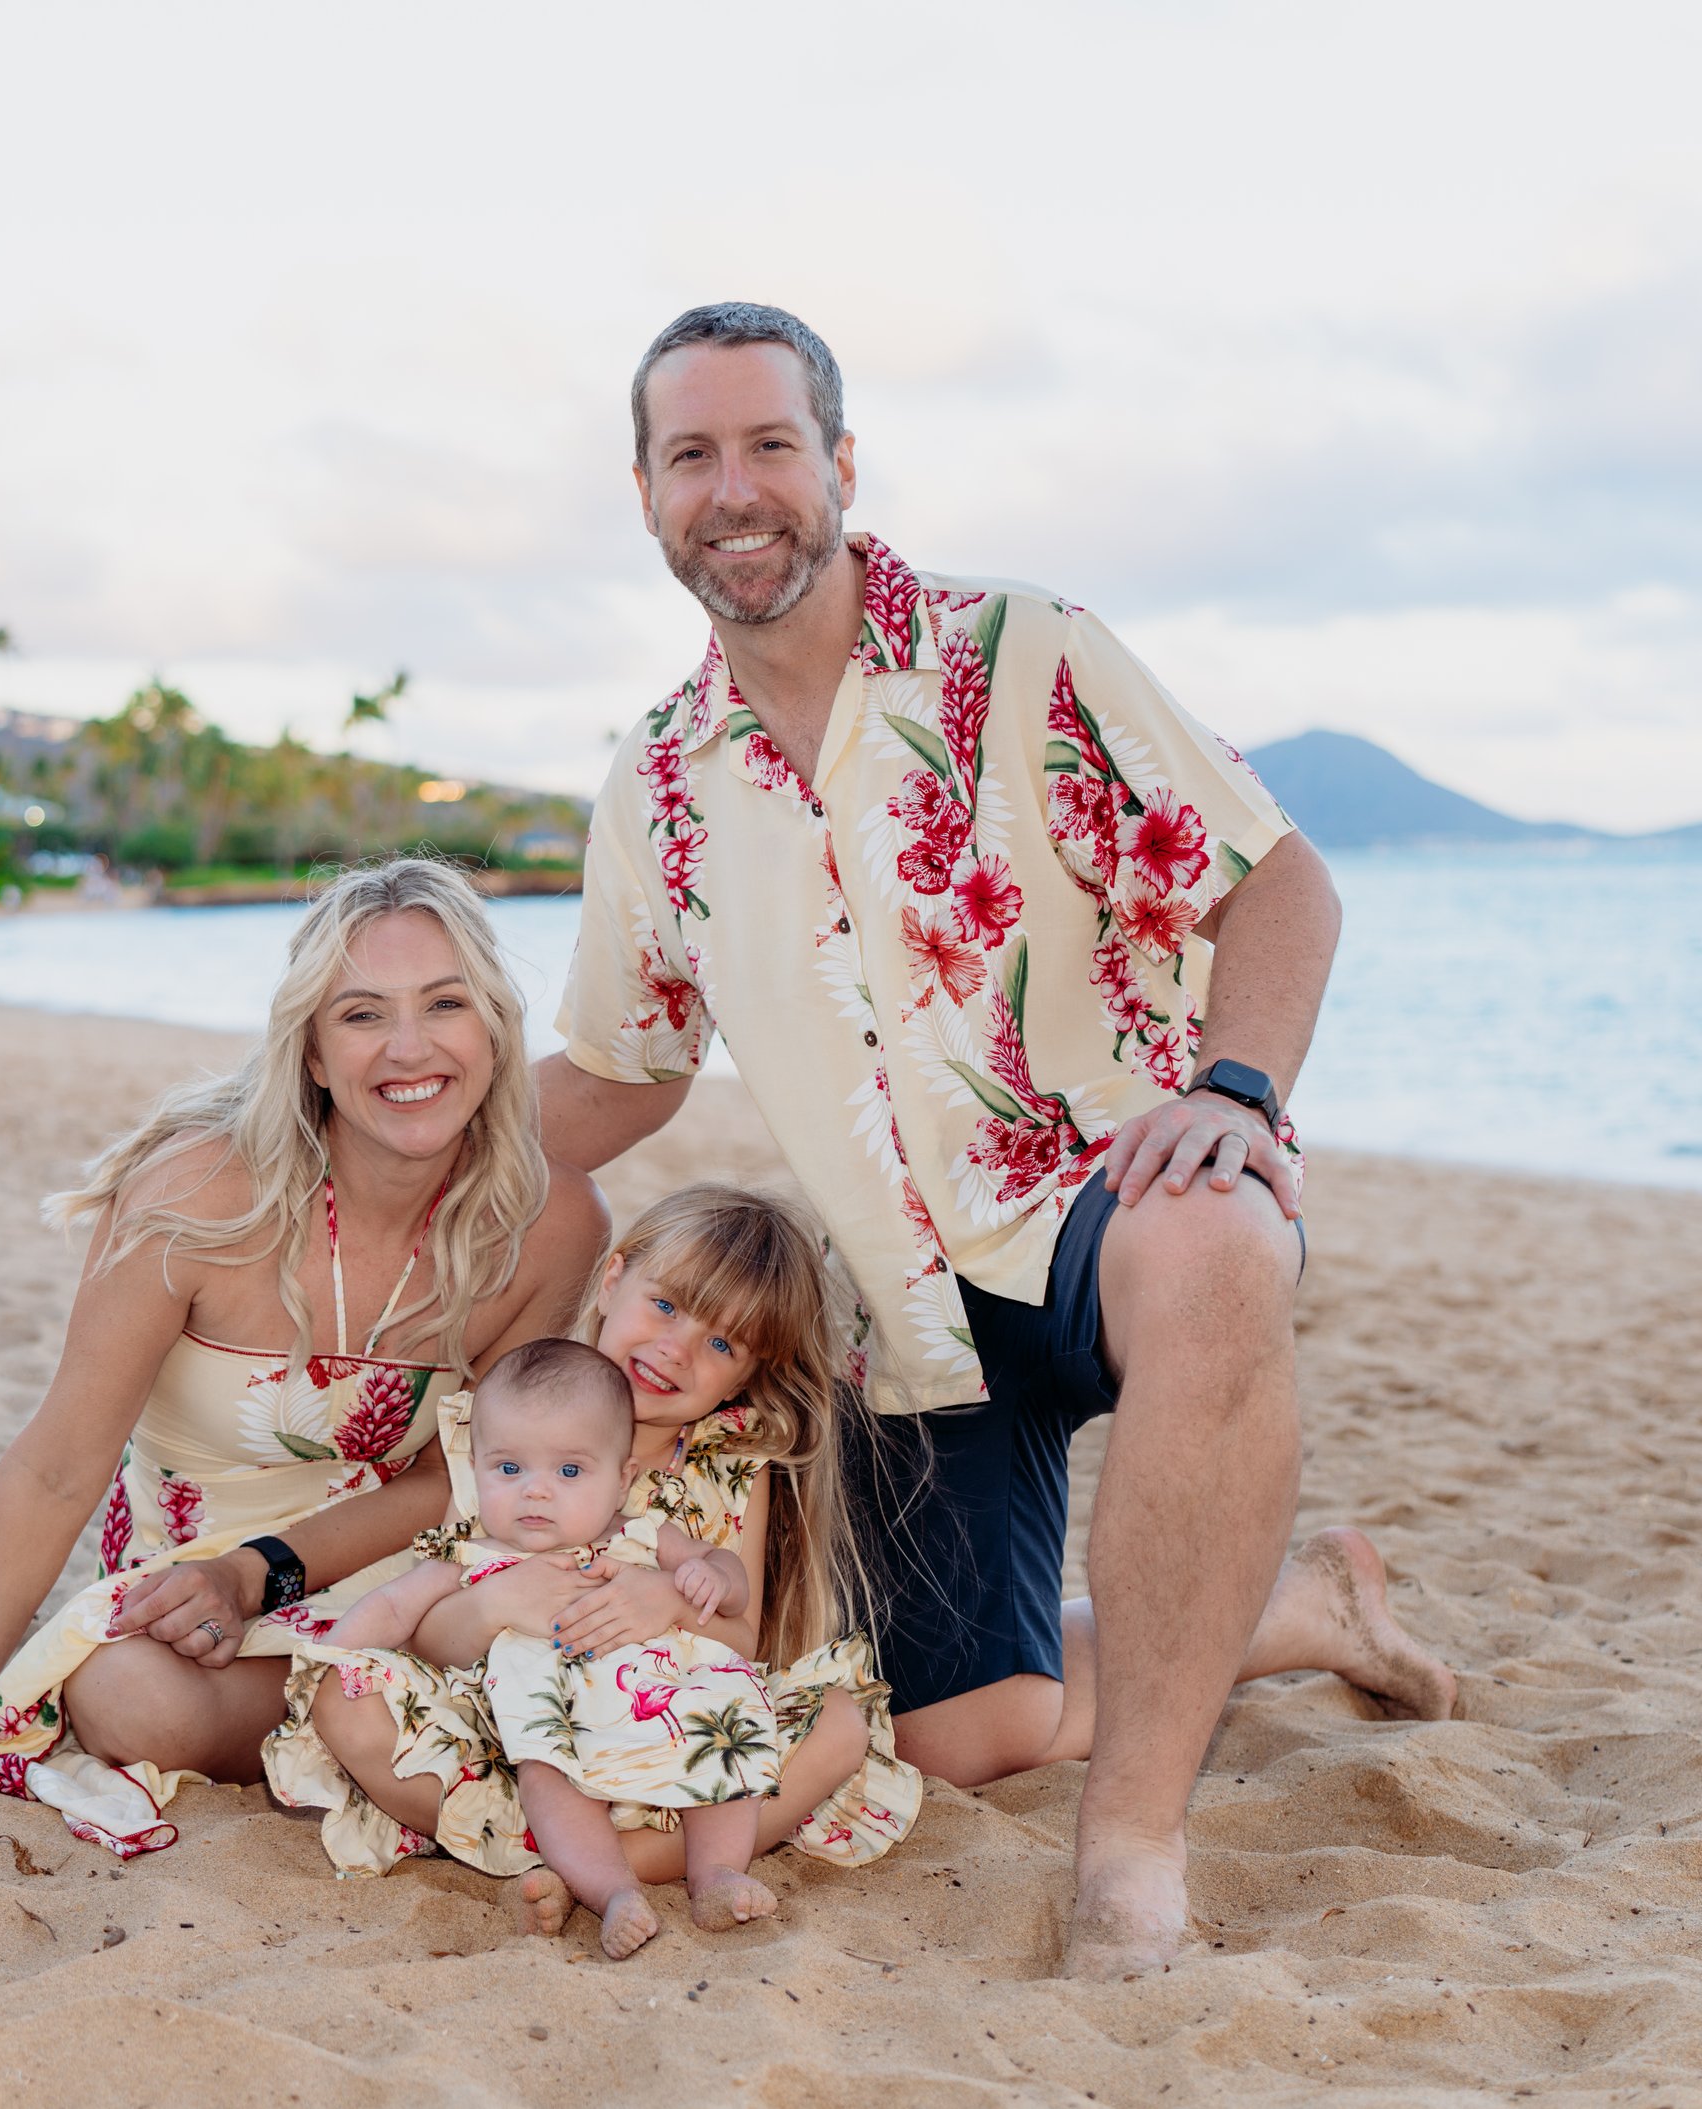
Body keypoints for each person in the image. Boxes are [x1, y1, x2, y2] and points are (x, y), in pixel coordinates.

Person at [535, 302, 1458, 1978]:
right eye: (692, 456)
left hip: (1112, 1199)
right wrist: (379, 1115)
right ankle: (1302, 1612)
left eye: (767, 444)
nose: (733, 489)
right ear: (648, 491)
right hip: (904, 1319)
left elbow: (1279, 882)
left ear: (838, 461)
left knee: (1213, 1239)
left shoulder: (1022, 651)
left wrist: (1237, 1094)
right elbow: (622, 1069)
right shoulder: (660, 779)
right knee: (965, 1729)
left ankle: (1132, 1852)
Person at [0, 859, 610, 1851]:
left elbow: (456, 1477)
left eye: (445, 1004)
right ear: (309, 1051)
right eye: (360, 1016)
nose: (409, 1047)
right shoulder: (196, 1199)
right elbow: (57, 1466)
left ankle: (395, 1727)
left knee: (525, 1618)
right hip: (191, 1597)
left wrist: (266, 1570)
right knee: (127, 1703)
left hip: (405, 1583)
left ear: (496, 1029)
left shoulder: (550, 1222)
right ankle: (403, 1738)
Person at [270, 1183, 916, 1930]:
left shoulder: (729, 1465)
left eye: (721, 1342)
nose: (676, 1348)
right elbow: (433, 1636)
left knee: (839, 1722)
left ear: (748, 1374)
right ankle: (602, 1856)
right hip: (516, 1733)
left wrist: (671, 1601)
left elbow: (743, 1639)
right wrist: (494, 1603)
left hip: (670, 1730)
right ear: (613, 1280)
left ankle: (587, 1864)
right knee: (345, 1704)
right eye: (667, 1305)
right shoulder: (511, 1423)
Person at [319, 1336, 783, 1959]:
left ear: (621, 1482)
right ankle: (613, 1890)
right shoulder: (475, 1550)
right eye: (509, 1469)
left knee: (724, 1736)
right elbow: (395, 1606)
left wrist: (712, 1577)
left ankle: (718, 1874)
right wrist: (333, 1653)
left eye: (568, 1471)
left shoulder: (641, 1532)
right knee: (549, 1775)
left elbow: (723, 1573)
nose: (536, 1491)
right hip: (550, 1721)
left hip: (663, 1700)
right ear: (476, 1468)